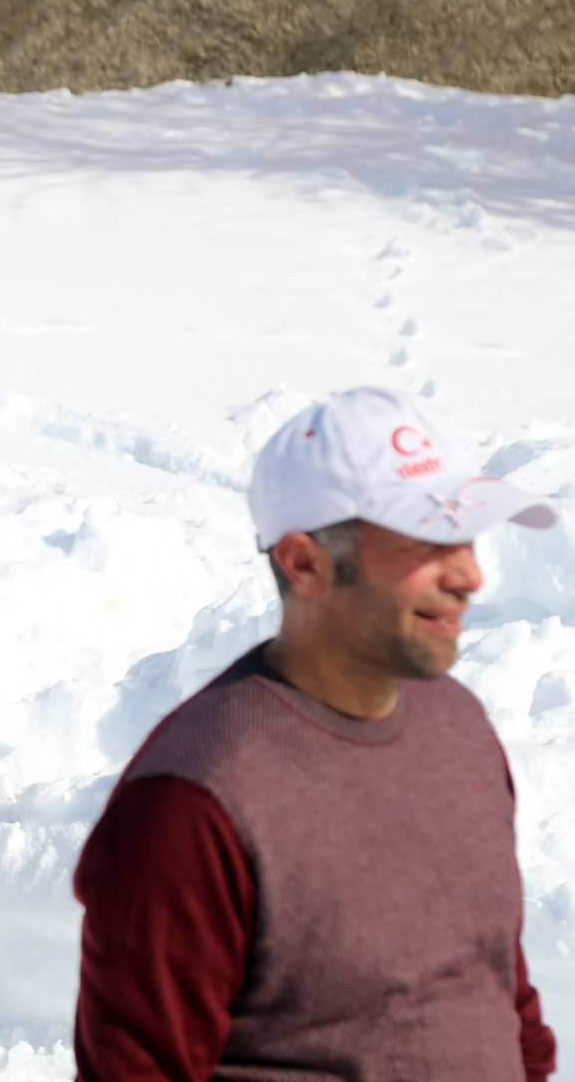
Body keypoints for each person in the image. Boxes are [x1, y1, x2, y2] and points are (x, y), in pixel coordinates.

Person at [72, 386, 560, 1080]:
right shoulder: (191, 802)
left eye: (466, 534)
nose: (469, 575)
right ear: (304, 562)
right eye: (425, 541)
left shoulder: (460, 727)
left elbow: (501, 1002)